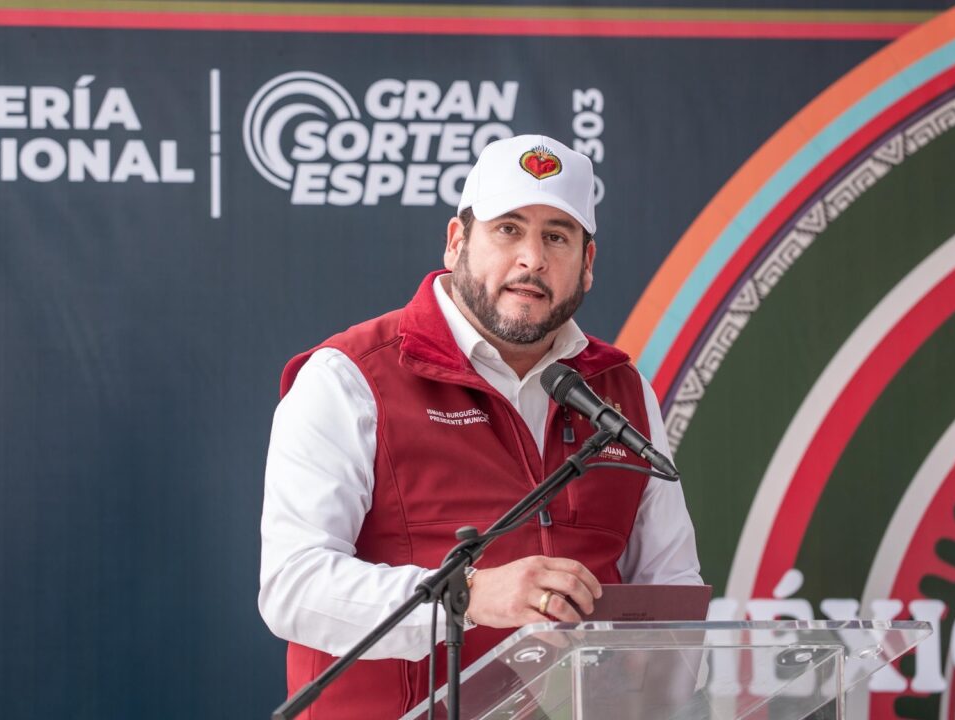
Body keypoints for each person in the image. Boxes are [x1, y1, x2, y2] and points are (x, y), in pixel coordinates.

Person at [259, 134, 702, 719]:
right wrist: (465, 595)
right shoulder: (349, 377)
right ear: (456, 242)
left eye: (557, 236)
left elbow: (671, 583)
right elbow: (294, 587)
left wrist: (654, 685)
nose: (532, 258)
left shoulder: (620, 389)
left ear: (587, 265)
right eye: (508, 229)